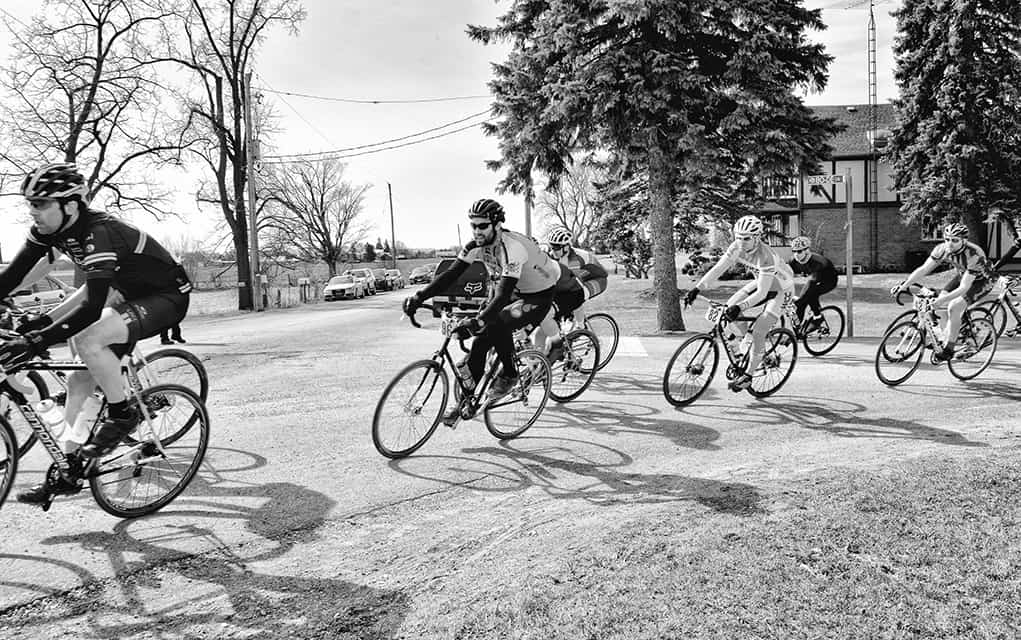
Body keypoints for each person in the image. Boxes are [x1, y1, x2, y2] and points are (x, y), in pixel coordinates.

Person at [0, 163, 192, 504]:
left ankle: (122, 413)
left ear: (70, 205)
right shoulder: (48, 229)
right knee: (78, 381)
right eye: (30, 204)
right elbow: (12, 277)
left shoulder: (99, 232)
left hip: (165, 296)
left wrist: (35, 340)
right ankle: (69, 469)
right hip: (124, 292)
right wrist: (39, 326)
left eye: (41, 204)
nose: (34, 212)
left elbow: (91, 308)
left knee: (90, 338)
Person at [402, 198, 561, 424]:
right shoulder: (474, 246)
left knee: (496, 323)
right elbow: (450, 275)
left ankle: (510, 373)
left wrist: (478, 322)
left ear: (497, 225)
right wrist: (419, 297)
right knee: (479, 344)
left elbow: (503, 295)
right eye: (473, 225)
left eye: (482, 225)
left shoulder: (512, 248)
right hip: (513, 290)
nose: (476, 231)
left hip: (538, 295)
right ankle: (464, 403)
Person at [683, 215, 795, 392]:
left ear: (757, 237)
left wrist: (740, 307)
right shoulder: (736, 247)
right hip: (762, 282)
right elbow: (718, 268)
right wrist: (697, 289)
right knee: (729, 307)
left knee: (759, 330)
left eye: (747, 238)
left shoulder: (766, 256)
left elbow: (762, 293)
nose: (741, 242)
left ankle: (748, 375)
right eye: (738, 237)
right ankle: (746, 346)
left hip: (781, 289)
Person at [892, 221, 994, 362]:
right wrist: (903, 285)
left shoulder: (974, 254)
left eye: (955, 240)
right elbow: (924, 269)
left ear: (964, 241)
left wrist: (941, 300)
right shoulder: (942, 249)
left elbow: (964, 287)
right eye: (947, 239)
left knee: (954, 306)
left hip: (982, 281)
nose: (950, 243)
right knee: (940, 308)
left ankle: (950, 348)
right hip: (963, 275)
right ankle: (949, 336)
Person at [533, 226, 608, 361]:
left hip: (597, 279)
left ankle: (580, 326)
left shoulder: (575, 260)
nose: (553, 250)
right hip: (576, 279)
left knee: (578, 294)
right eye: (552, 247)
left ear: (566, 247)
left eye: (556, 247)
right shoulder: (552, 256)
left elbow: (573, 288)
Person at [787, 236, 838, 330]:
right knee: (803, 301)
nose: (796, 254)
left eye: (799, 251)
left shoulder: (818, 262)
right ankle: (797, 332)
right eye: (794, 251)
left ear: (806, 251)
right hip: (814, 281)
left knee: (807, 295)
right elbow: (785, 273)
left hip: (829, 281)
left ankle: (818, 318)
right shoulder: (793, 261)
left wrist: (798, 302)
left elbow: (814, 280)